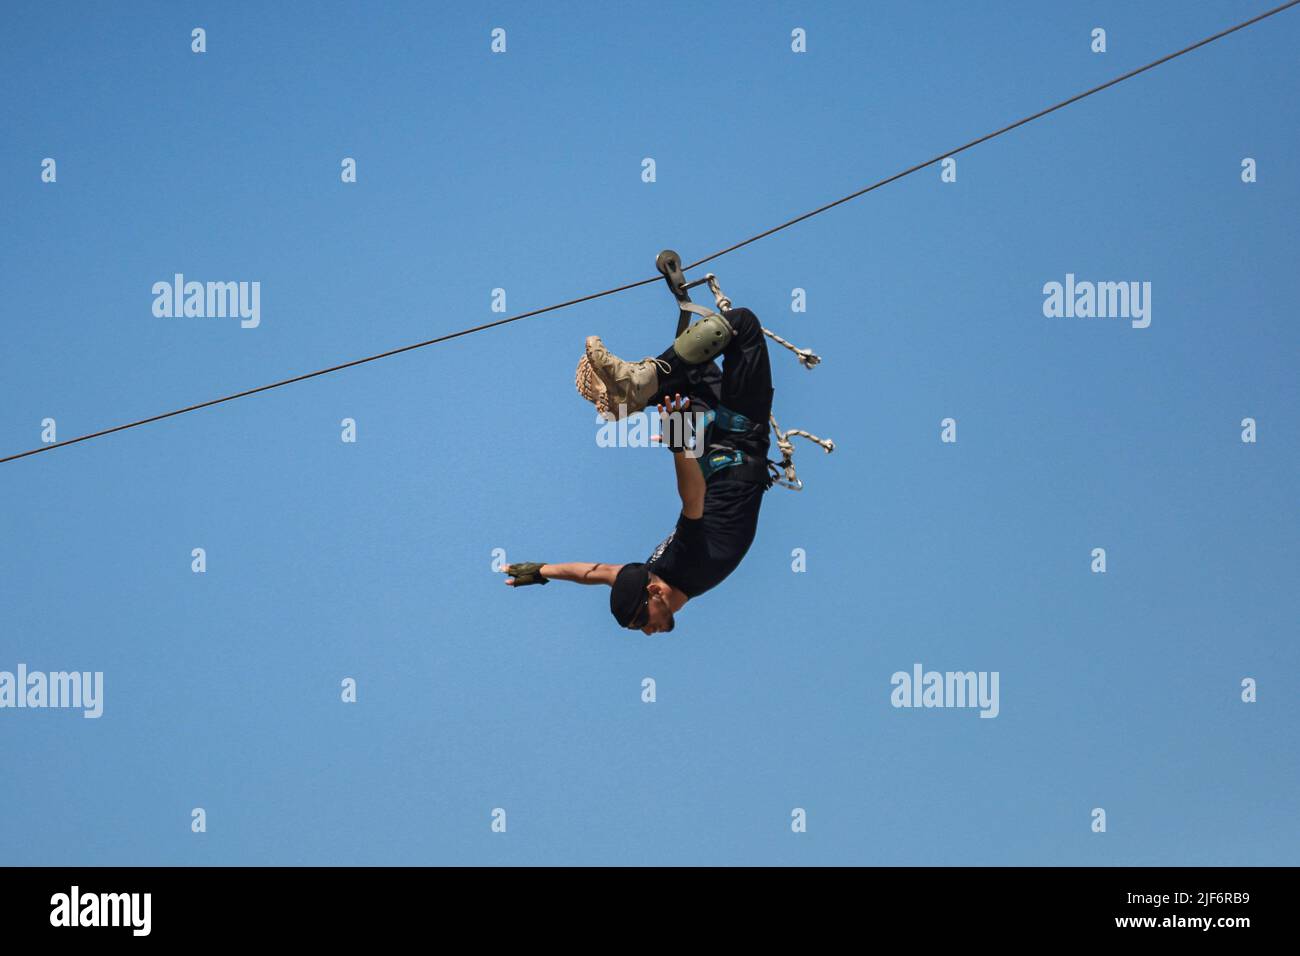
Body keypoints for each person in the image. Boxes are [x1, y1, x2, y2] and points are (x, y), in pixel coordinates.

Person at [503, 306, 775, 634]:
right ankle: (632, 393)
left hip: (737, 436)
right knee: (692, 375)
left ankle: (636, 387)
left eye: (642, 621)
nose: (647, 631)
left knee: (742, 326)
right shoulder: (647, 572)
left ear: (654, 593)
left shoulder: (685, 567)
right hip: (715, 444)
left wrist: (678, 444)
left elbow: (693, 499)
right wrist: (543, 571)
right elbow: (596, 573)